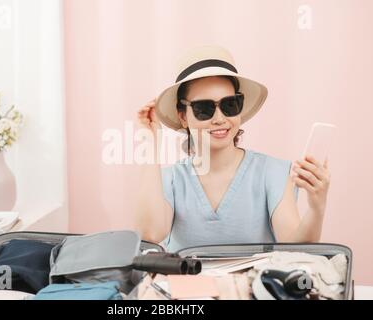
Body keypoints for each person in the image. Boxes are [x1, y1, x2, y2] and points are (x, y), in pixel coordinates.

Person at [135, 45, 330, 252]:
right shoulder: (169, 179)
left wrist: (317, 209)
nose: (220, 119)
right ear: (183, 116)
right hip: (187, 284)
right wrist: (150, 141)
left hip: (250, 284)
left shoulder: (273, 173)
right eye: (204, 109)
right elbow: (151, 233)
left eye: (230, 105)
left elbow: (295, 249)